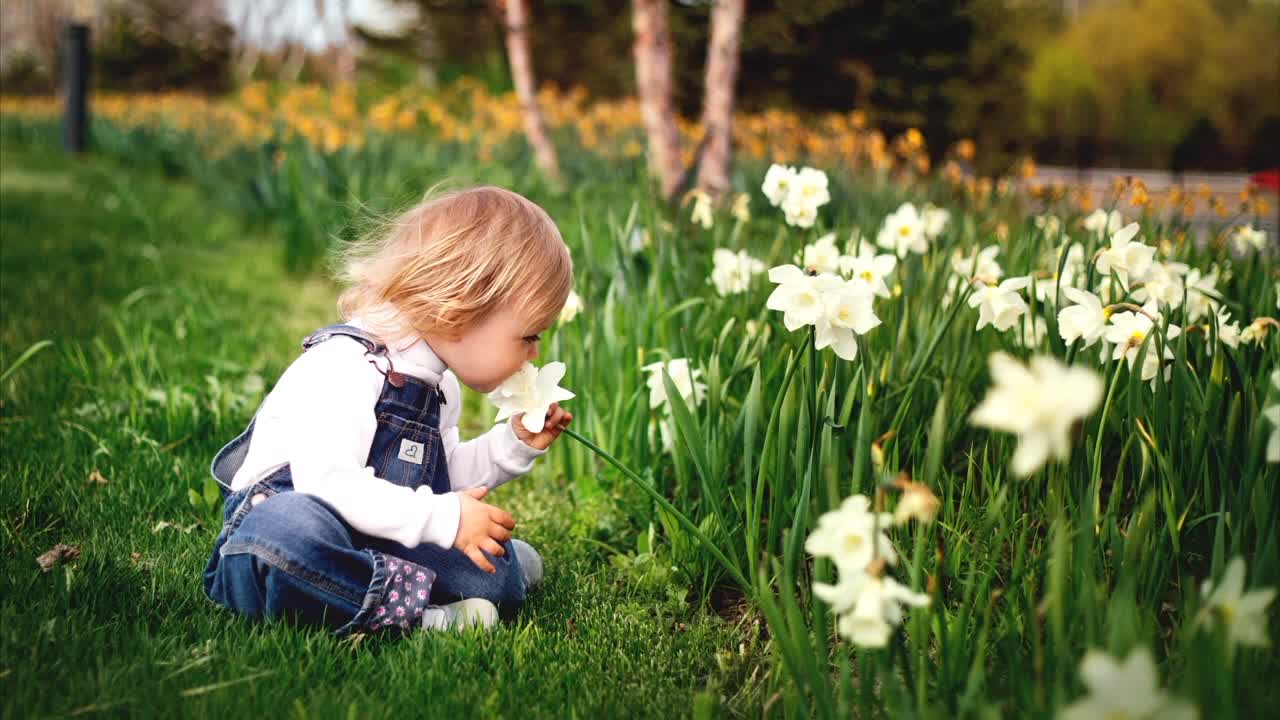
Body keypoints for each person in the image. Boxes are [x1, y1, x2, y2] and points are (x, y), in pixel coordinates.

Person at [203, 186, 574, 634]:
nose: (533, 354)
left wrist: (511, 445)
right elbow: (328, 485)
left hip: (373, 533)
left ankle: (448, 578)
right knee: (286, 535)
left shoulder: (439, 385)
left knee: (496, 577)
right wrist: (445, 519)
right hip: (289, 530)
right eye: (529, 336)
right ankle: (418, 617)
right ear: (460, 310)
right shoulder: (347, 364)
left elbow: (441, 477)